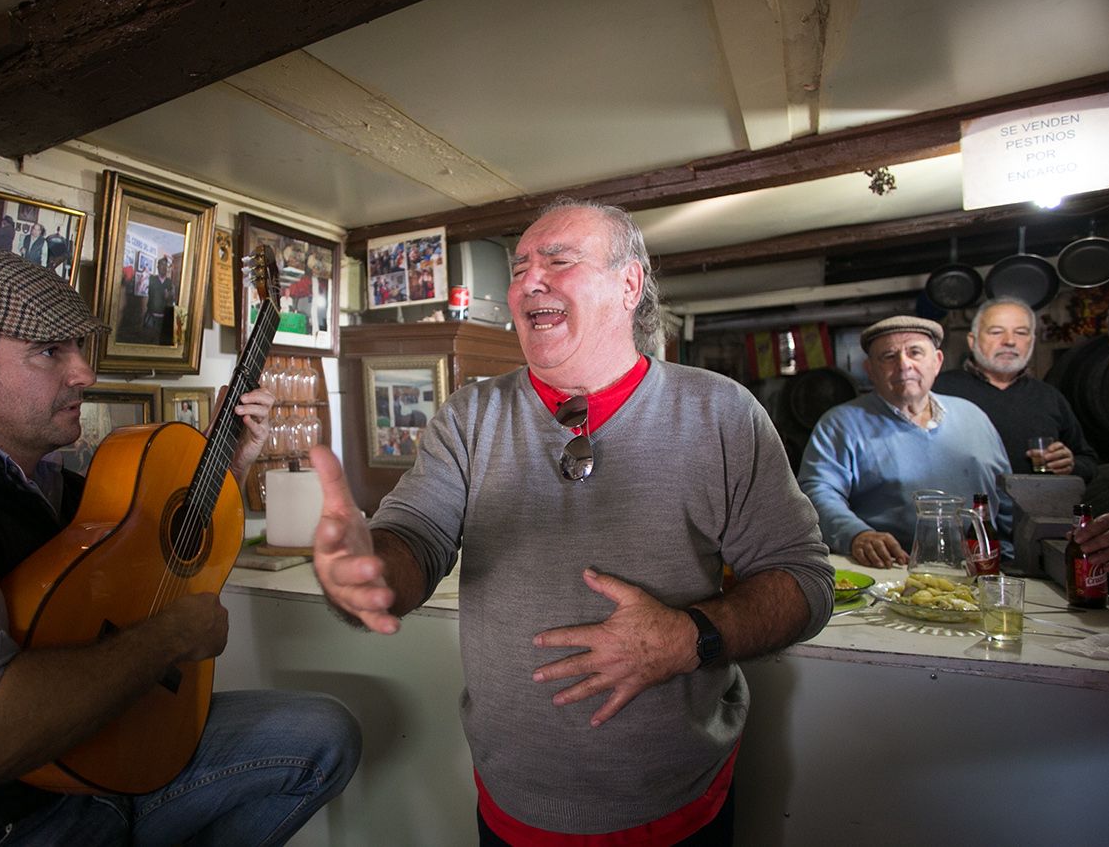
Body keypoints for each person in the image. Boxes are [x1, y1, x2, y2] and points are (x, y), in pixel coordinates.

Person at [310, 199, 834, 845]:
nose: (530, 281)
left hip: (677, 800)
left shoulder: (721, 412)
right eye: (522, 266)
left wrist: (685, 636)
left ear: (629, 283)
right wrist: (366, 567)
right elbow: (415, 536)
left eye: (559, 260)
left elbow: (804, 580)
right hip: (515, 801)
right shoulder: (470, 416)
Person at [0, 247, 360, 846]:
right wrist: (170, 639)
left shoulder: (54, 488)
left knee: (320, 733)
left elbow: (159, 549)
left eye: (79, 347)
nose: (84, 372)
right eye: (50, 351)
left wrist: (223, 464)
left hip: (89, 768)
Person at [798, 315, 1013, 568]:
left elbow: (1006, 498)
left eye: (915, 352)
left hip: (980, 569)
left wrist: (1012, 558)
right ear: (870, 370)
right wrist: (857, 534)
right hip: (889, 571)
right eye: (889, 356)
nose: (903, 364)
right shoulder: (841, 424)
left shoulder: (974, 417)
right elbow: (818, 492)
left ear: (937, 362)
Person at [934, 296, 1097, 481]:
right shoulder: (938, 390)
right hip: (966, 508)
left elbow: (1089, 461)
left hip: (1040, 507)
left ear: (1032, 341)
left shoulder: (1049, 397)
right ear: (972, 341)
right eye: (996, 332)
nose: (1010, 341)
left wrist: (1070, 464)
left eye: (1020, 332)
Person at [145, 255, 176, 345]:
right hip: (151, 317)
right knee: (148, 342)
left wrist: (170, 295)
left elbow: (173, 299)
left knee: (161, 342)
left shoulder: (169, 282)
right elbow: (144, 286)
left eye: (165, 266)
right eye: (162, 265)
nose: (164, 267)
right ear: (157, 267)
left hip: (163, 319)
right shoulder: (152, 279)